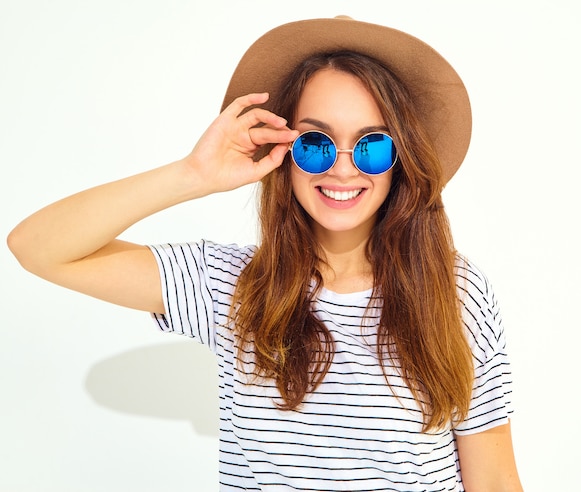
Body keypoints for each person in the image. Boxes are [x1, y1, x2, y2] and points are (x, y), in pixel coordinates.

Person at [7, 15, 523, 492]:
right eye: (316, 143)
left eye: (371, 145)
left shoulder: (456, 293)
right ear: (284, 152)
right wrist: (193, 175)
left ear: (401, 159)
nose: (342, 169)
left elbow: (495, 481)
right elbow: (37, 248)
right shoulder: (229, 285)